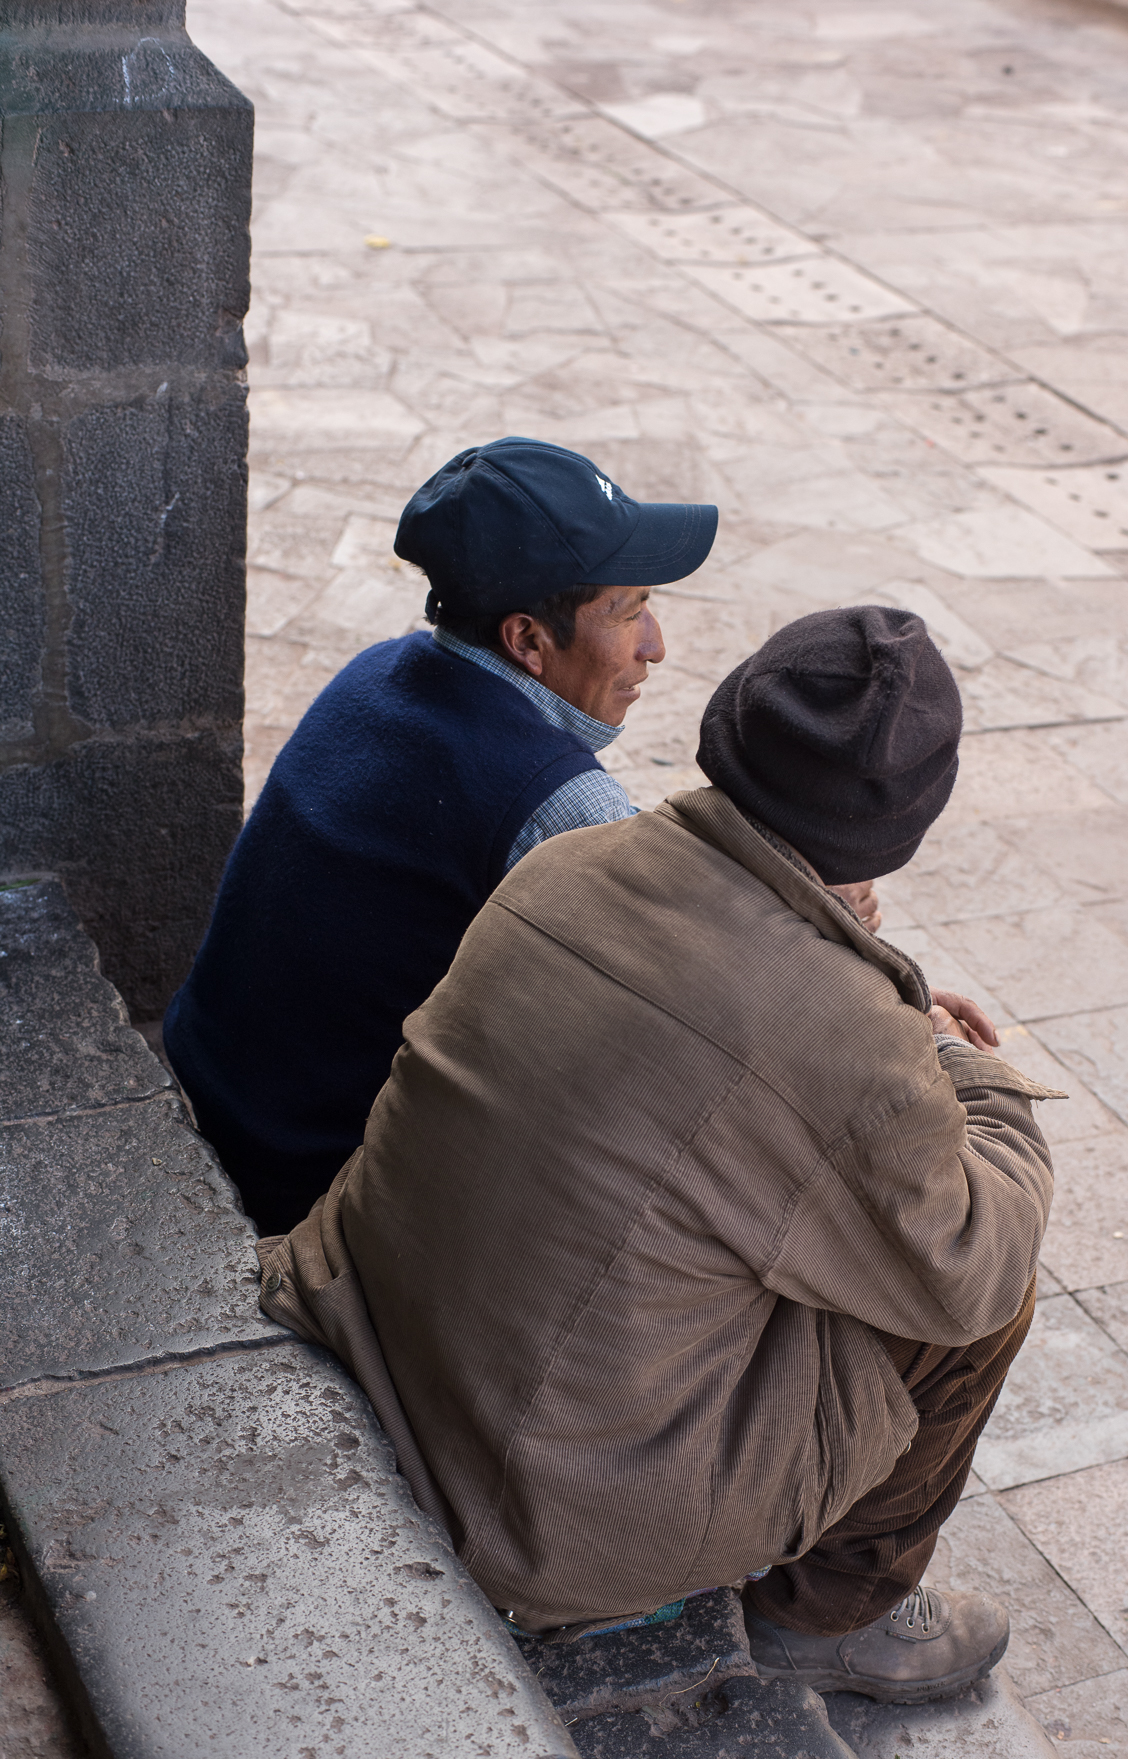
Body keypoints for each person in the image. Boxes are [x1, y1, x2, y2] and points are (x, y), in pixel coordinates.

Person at [259, 604, 1061, 1701]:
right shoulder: (845, 1032)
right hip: (531, 1516)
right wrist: (971, 1072)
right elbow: (972, 1267)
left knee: (810, 1222)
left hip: (361, 1326)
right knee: (982, 1302)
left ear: (732, 728)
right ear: (906, 817)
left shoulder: (570, 860)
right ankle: (832, 1618)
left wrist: (855, 962)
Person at [163, 437, 720, 1235]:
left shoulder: (375, 673)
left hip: (215, 1102)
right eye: (630, 611)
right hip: (309, 1190)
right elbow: (708, 1016)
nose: (654, 645)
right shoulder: (557, 804)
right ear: (527, 640)